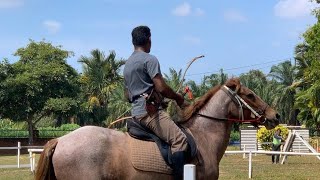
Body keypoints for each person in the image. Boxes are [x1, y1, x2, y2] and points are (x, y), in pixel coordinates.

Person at [123, 25, 188, 180]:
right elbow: (162, 87)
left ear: (133, 42)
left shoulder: (127, 65)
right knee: (180, 140)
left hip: (135, 114)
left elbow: (127, 95)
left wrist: (158, 99)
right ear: (149, 40)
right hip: (149, 114)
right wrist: (178, 97)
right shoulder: (149, 59)